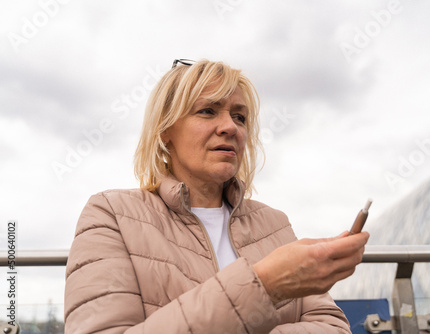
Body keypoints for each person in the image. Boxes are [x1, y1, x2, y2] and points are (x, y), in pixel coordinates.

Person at [64, 59, 369, 333]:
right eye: (207, 111)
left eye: (240, 117)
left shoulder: (274, 223)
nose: (230, 127)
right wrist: (265, 284)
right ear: (165, 129)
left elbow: (332, 326)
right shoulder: (111, 214)